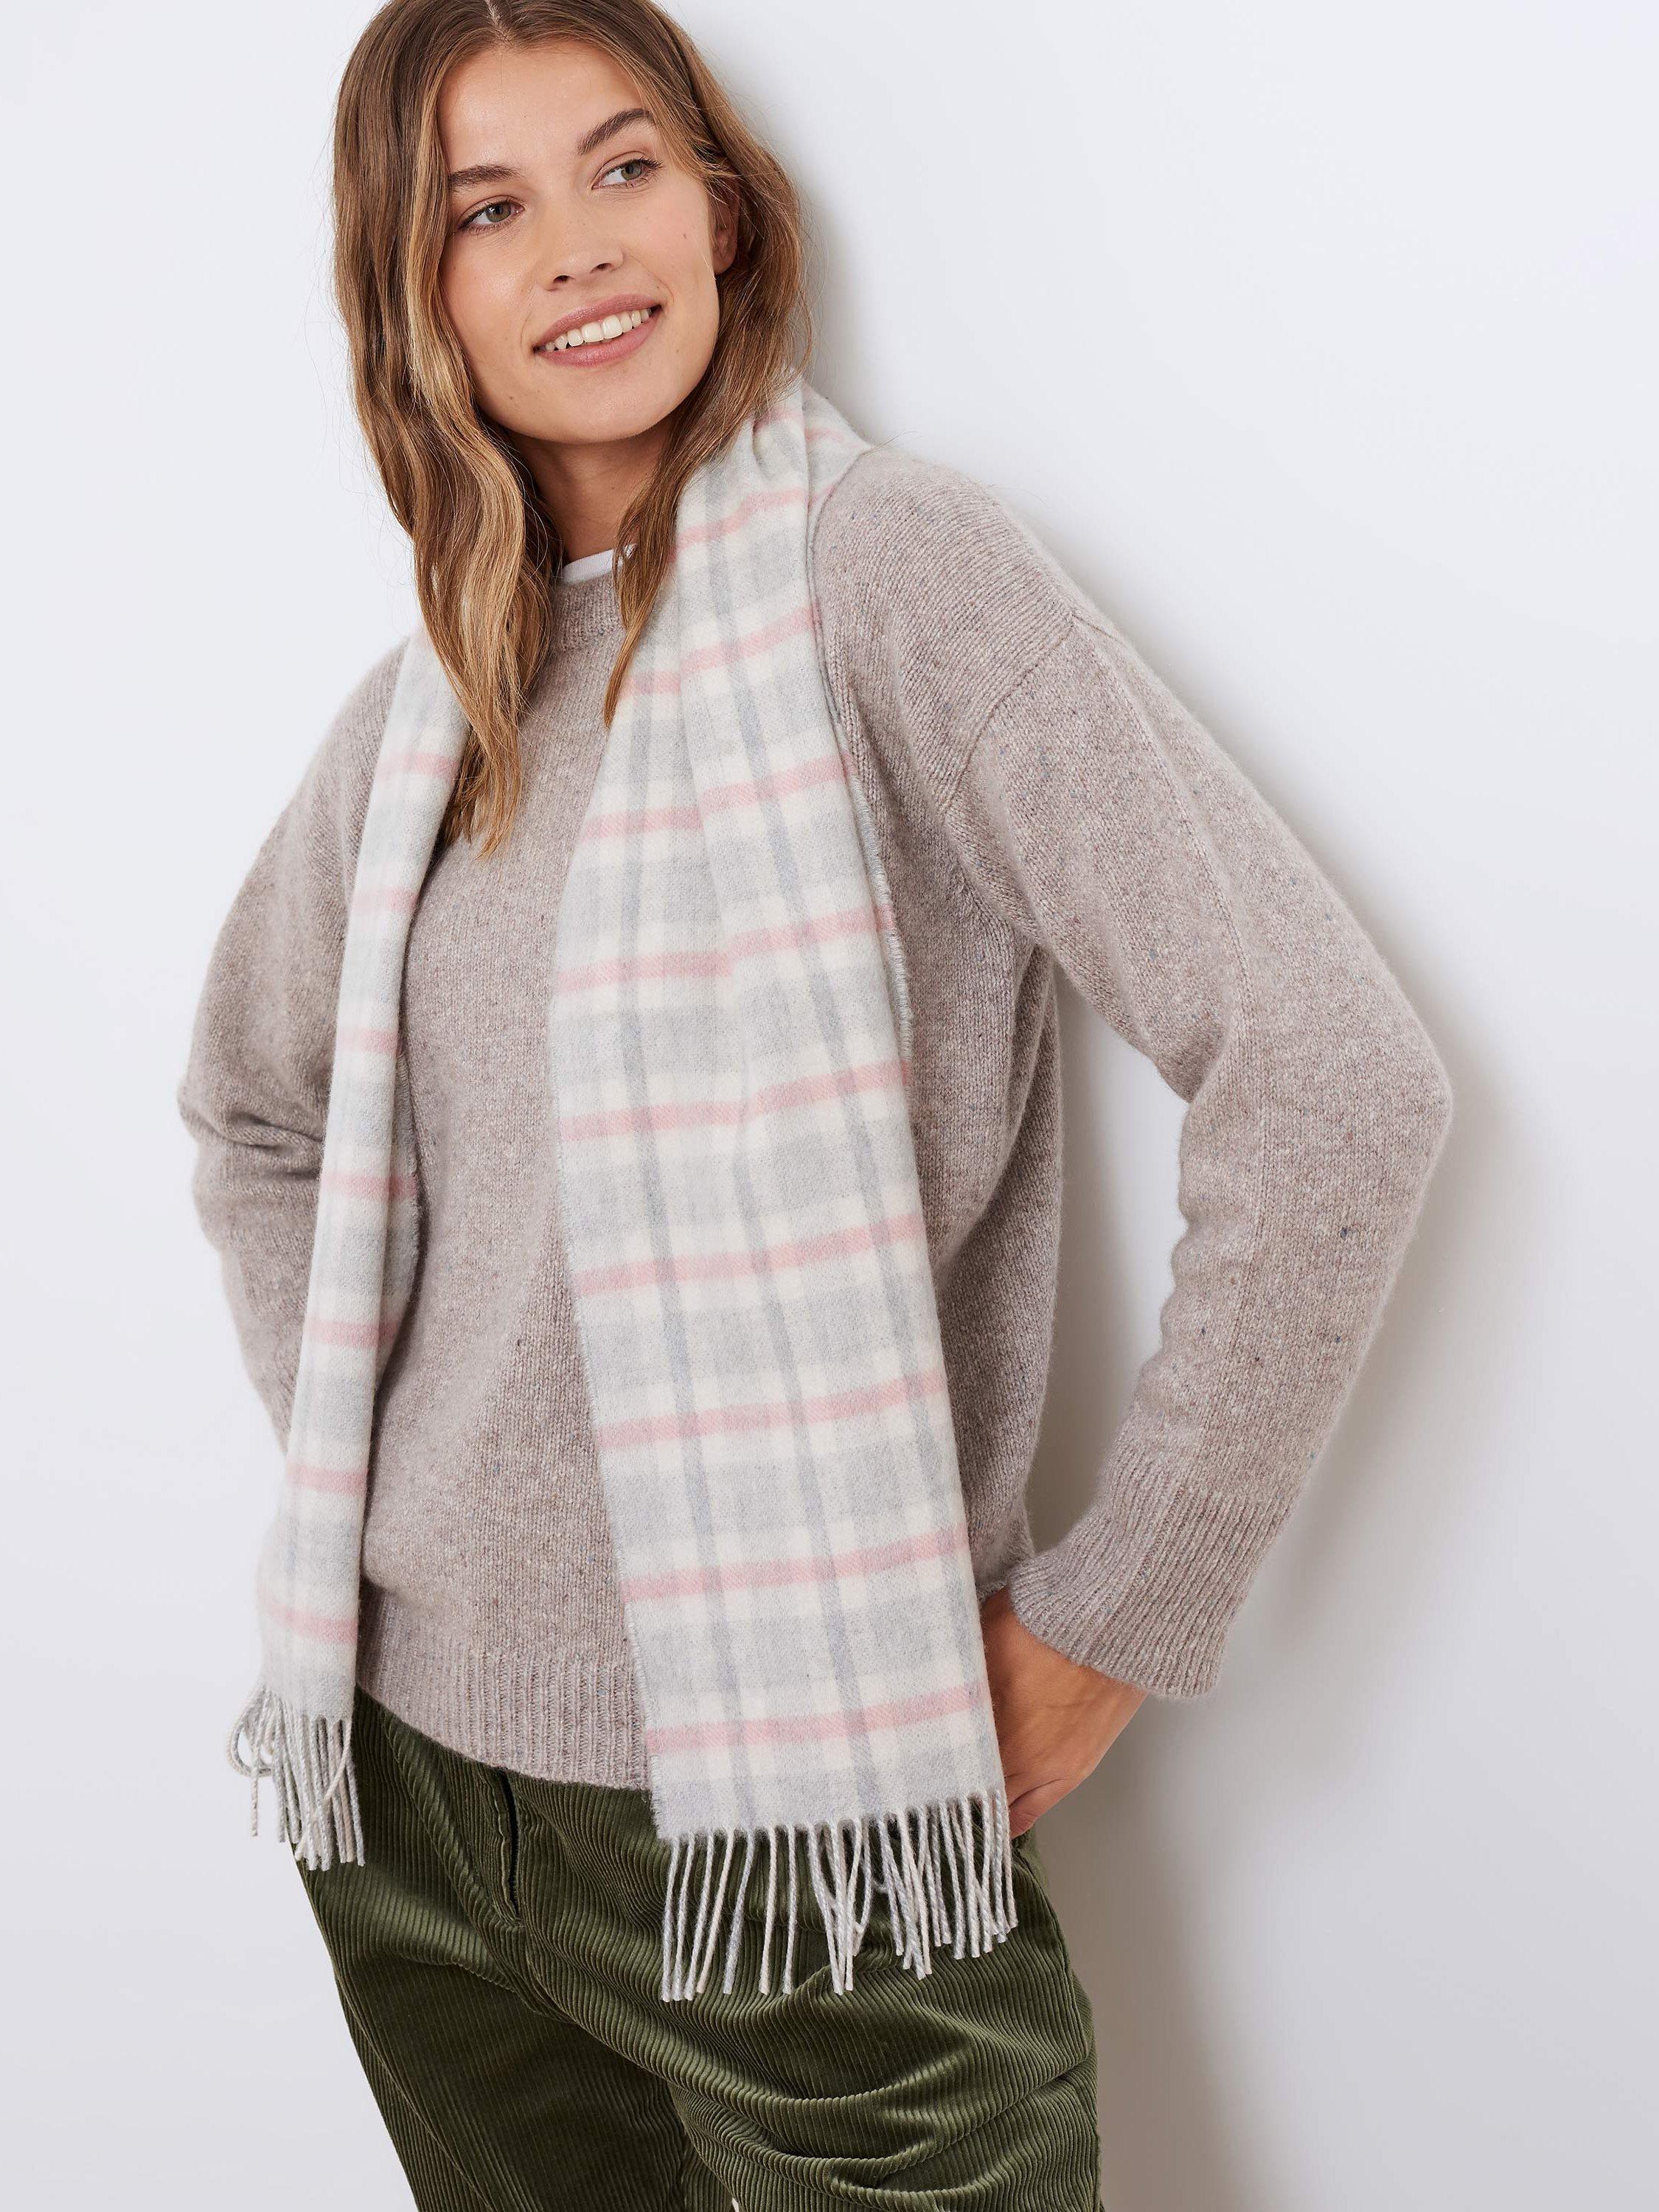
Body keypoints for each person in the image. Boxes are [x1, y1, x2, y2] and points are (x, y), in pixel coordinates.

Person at [175, 2, 1453, 2205]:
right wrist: (390, 1498)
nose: (580, 246)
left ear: (725, 210)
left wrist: (1112, 1618)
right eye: (487, 209)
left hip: (798, 1820)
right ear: (415, 293)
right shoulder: (427, 707)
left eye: (625, 166)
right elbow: (253, 1115)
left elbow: (1334, 1080)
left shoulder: (892, 576)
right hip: (408, 1817)